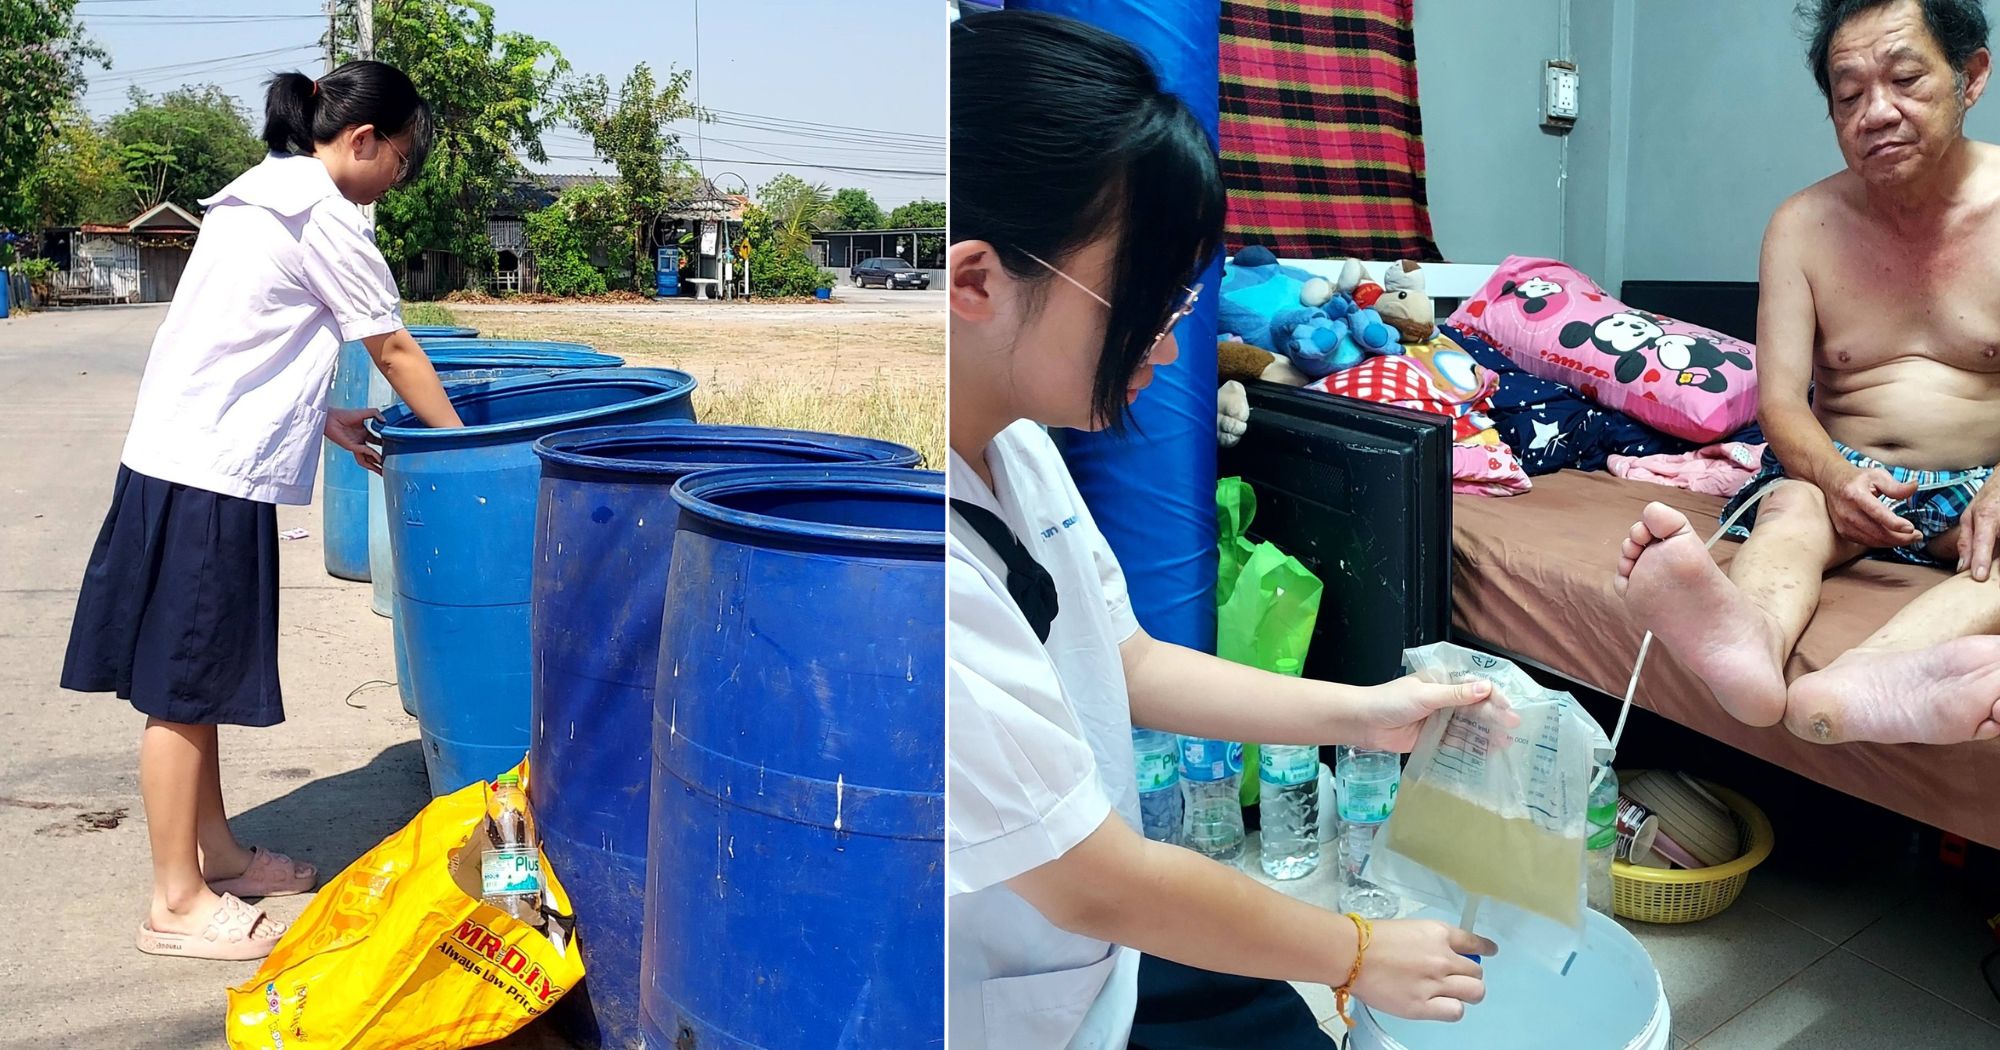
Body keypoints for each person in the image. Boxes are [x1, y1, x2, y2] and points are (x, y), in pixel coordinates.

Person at [947, 12, 1517, 1049]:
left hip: (1094, 960)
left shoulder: (1014, 444)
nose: (1170, 342)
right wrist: (1353, 951)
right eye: (1145, 297)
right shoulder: (895, 559)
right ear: (975, 280)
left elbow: (1124, 660)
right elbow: (1096, 884)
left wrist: (1365, 712)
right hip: (1004, 990)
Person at [60, 60, 464, 961]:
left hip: (186, 456)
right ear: (362, 141)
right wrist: (465, 445)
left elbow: (235, 337)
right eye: (399, 159)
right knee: (182, 685)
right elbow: (394, 346)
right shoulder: (325, 214)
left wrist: (322, 416)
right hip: (209, 473)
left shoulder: (258, 194)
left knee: (194, 677)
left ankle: (218, 855)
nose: (396, 178)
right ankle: (175, 903)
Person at [1617, 0, 2000, 746]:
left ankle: (1877, 674)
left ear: (1971, 78)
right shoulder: (1800, 225)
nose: (1876, 112)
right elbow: (1783, 402)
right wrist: (1831, 477)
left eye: (1905, 80)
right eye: (1849, 94)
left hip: (1983, 483)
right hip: (1840, 475)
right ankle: (1750, 640)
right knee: (1788, 508)